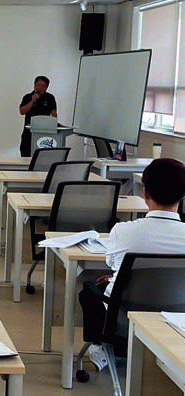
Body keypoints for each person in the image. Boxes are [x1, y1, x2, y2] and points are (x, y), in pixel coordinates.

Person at [79, 158, 185, 362]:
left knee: (89, 291)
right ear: (183, 194)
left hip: (124, 319)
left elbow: (112, 264)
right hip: (175, 322)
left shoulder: (123, 231)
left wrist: (119, 277)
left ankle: (100, 346)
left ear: (145, 194)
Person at [19, 75, 57, 157]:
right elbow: (22, 111)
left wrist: (53, 126)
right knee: (26, 158)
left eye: (43, 86)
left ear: (46, 88)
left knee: (41, 158)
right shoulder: (27, 97)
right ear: (34, 85)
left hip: (43, 134)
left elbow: (54, 114)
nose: (40, 88)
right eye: (38, 85)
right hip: (28, 135)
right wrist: (32, 101)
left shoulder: (50, 98)